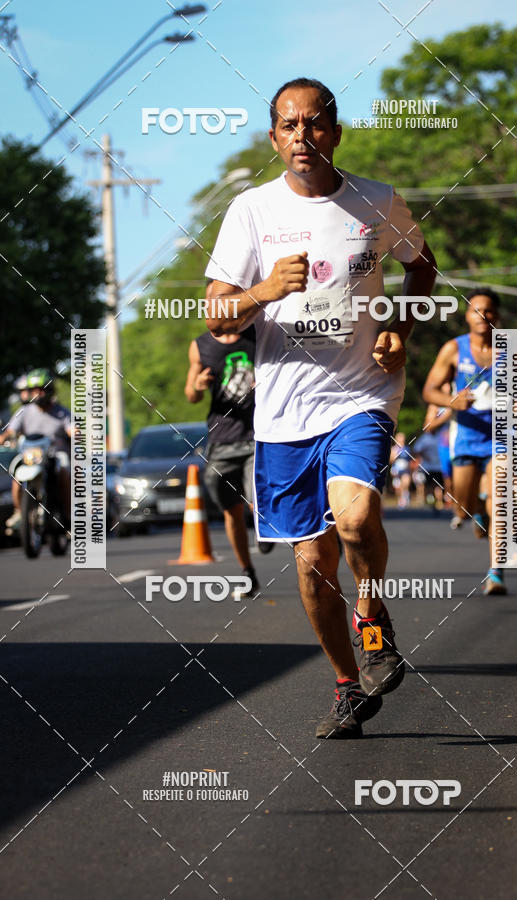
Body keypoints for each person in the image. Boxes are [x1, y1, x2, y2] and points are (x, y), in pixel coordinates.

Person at [203, 77, 436, 738]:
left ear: (335, 131)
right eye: (288, 126)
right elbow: (216, 313)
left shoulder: (378, 201)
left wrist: (401, 329)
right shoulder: (251, 211)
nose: (302, 137)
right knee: (312, 566)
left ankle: (372, 614)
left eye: (314, 124)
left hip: (361, 392)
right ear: (274, 138)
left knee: (357, 519)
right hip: (283, 415)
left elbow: (423, 266)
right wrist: (266, 288)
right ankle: (346, 685)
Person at [185, 319, 272, 599]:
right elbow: (191, 395)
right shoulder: (201, 346)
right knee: (231, 511)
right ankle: (248, 572)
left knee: (255, 494)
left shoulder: (257, 334)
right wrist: (198, 384)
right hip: (221, 439)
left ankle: (264, 527)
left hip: (258, 432)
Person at [422, 289, 503, 594]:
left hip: (501, 437)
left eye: (489, 311)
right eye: (476, 310)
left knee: (501, 499)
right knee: (464, 504)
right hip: (466, 438)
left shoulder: (511, 348)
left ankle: (496, 573)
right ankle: (475, 512)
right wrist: (451, 401)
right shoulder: (454, 349)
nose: (484, 316)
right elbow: (429, 391)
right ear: (468, 316)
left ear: (498, 316)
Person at [0, 369, 71, 529]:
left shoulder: (62, 412)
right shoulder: (24, 411)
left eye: (41, 389)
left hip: (55, 454)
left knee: (64, 473)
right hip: (31, 455)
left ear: (49, 390)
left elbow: (72, 428)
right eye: (34, 390)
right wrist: (4, 437)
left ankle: (68, 516)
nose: (38, 394)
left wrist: (76, 433)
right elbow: (11, 431)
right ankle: (19, 512)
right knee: (16, 478)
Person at [389, 432, 412, 508]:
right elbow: (391, 461)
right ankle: (400, 499)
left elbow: (410, 461)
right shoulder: (393, 449)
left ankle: (405, 497)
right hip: (396, 470)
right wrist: (395, 455)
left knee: (405, 483)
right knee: (398, 487)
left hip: (405, 470)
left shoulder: (407, 449)